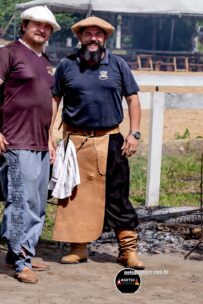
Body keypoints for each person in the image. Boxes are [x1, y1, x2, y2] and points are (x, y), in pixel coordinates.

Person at [50, 16, 144, 269]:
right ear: (80, 37)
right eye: (88, 34)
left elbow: (133, 99)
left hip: (110, 140)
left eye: (98, 34)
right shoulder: (67, 65)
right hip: (75, 141)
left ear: (105, 38)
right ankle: (78, 248)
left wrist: (134, 133)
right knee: (74, 195)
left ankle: (127, 250)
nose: (93, 38)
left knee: (118, 195)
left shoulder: (118, 65)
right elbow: (54, 100)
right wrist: (49, 135)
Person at [0, 6, 60, 284]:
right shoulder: (8, 53)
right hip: (15, 141)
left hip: (40, 142)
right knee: (20, 202)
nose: (42, 29)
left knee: (37, 203)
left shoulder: (45, 61)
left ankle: (22, 252)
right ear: (24, 25)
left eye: (47, 27)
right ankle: (21, 260)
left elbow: (50, 101)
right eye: (37, 24)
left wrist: (49, 137)